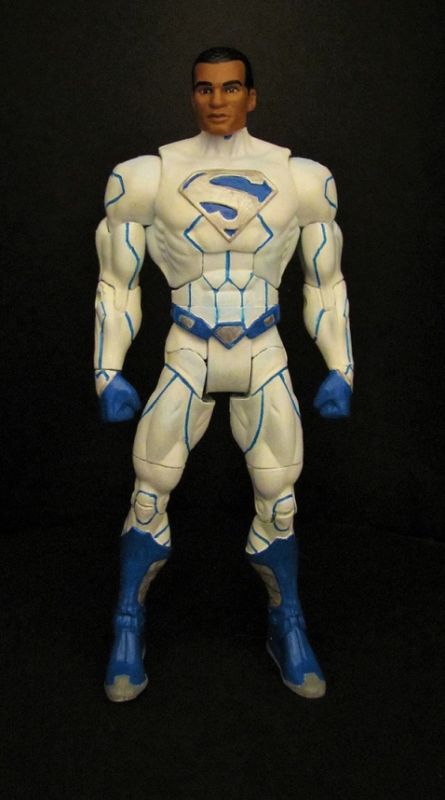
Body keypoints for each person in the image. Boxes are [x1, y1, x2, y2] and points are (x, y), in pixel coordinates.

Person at [94, 46, 353, 703]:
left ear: (251, 96)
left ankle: (286, 623)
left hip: (264, 350)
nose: (217, 100)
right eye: (205, 88)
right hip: (188, 346)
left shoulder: (301, 179)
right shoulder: (146, 177)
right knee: (149, 491)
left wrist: (340, 366)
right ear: (192, 95)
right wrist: (108, 370)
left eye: (231, 88)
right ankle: (127, 622)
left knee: (280, 499)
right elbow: (117, 282)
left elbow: (326, 282)